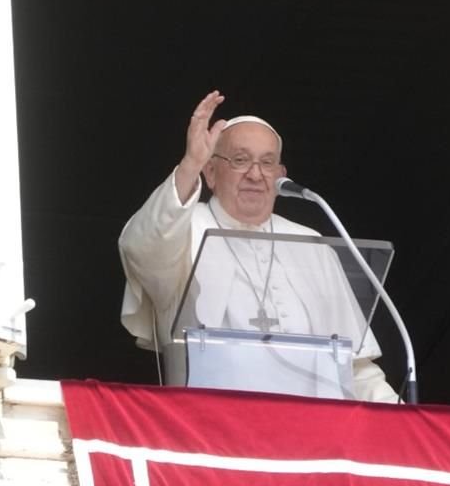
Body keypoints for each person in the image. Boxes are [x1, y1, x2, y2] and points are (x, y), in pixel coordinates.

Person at [118, 91, 399, 402]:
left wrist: (401, 418)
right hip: (210, 422)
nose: (255, 174)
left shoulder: (313, 245)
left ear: (280, 176)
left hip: (313, 429)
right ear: (211, 171)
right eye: (240, 160)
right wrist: (190, 164)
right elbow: (143, 248)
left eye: (267, 163)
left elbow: (355, 366)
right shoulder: (185, 228)